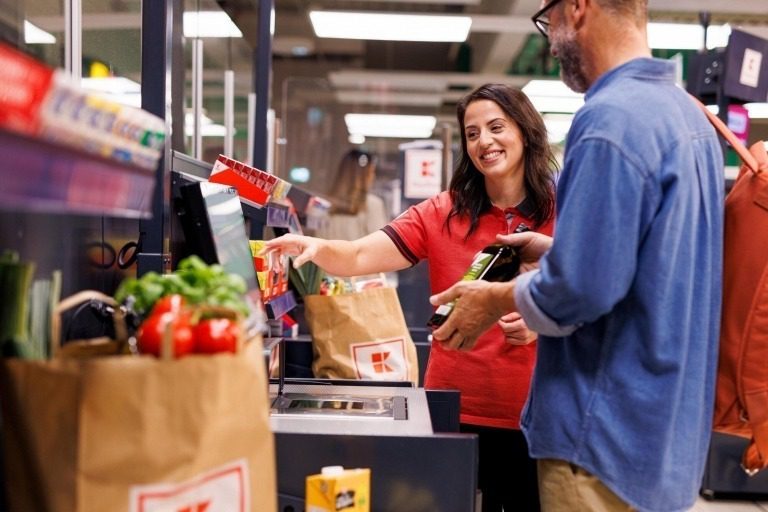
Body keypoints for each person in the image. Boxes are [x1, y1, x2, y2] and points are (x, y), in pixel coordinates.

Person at [429, 1, 725, 511]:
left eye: (550, 22)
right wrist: (555, 250)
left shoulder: (609, 117)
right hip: (664, 440)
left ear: (579, 9)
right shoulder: (686, 115)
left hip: (600, 439)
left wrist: (495, 299)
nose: (550, 40)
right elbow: (655, 264)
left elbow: (580, 291)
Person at [265, 83, 558, 512]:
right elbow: (364, 251)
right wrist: (316, 249)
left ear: (526, 132)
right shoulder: (444, 211)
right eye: (472, 133)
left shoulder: (564, 210)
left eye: (497, 127)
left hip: (537, 414)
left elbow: (594, 299)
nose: (484, 142)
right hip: (452, 409)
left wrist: (541, 322)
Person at [315, 149, 388, 241]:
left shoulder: (325, 204)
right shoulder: (372, 204)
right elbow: (379, 244)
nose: (373, 177)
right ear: (365, 174)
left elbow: (318, 241)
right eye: (372, 172)